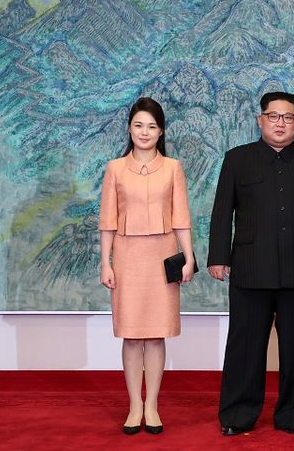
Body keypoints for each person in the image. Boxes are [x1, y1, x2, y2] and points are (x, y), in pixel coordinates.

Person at [208, 91, 294, 437]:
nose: (280, 123)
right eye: (273, 116)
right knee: (245, 345)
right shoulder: (237, 159)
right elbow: (223, 211)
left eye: (288, 117)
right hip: (250, 268)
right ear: (260, 120)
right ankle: (238, 415)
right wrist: (218, 256)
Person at [99, 97, 195, 435]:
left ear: (161, 131)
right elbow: (107, 220)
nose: (145, 132)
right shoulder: (114, 168)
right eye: (139, 125)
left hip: (162, 256)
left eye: (152, 126)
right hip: (126, 257)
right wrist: (105, 263)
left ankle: (152, 404)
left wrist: (189, 257)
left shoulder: (173, 167)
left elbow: (181, 217)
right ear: (129, 128)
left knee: (155, 335)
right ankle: (133, 405)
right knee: (131, 334)